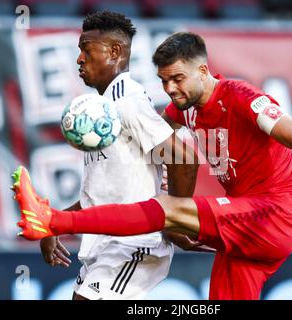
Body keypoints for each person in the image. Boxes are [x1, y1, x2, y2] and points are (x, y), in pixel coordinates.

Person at [14, 32, 292, 300]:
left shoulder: (242, 97)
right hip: (244, 229)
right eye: (164, 81)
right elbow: (144, 158)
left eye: (177, 78)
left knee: (168, 209)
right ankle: (58, 220)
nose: (171, 89)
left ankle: (52, 220)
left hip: (272, 215)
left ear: (202, 70)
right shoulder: (183, 108)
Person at [36, 12, 198, 300]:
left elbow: (183, 158)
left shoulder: (126, 101)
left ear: (114, 52)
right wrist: (55, 223)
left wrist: (174, 220)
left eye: (87, 51)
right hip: (106, 244)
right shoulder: (103, 110)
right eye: (79, 51)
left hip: (132, 243)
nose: (79, 59)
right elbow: (103, 195)